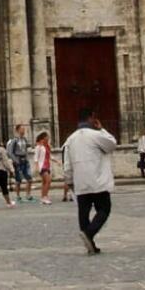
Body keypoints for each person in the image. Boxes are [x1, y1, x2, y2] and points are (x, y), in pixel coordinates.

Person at [62, 107, 117, 254]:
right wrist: (102, 129)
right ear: (91, 118)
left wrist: (69, 180)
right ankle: (89, 234)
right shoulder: (95, 135)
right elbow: (112, 144)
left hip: (80, 182)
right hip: (98, 180)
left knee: (83, 212)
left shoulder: (71, 139)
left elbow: (66, 163)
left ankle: (90, 244)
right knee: (104, 209)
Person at [6, 124, 32, 203]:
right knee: (18, 180)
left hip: (25, 160)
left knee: (29, 178)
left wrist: (27, 159)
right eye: (21, 129)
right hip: (18, 160)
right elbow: (9, 152)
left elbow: (26, 150)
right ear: (17, 130)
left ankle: (28, 195)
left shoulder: (24, 139)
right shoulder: (14, 140)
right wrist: (15, 160)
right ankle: (18, 196)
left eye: (23, 129)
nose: (23, 131)